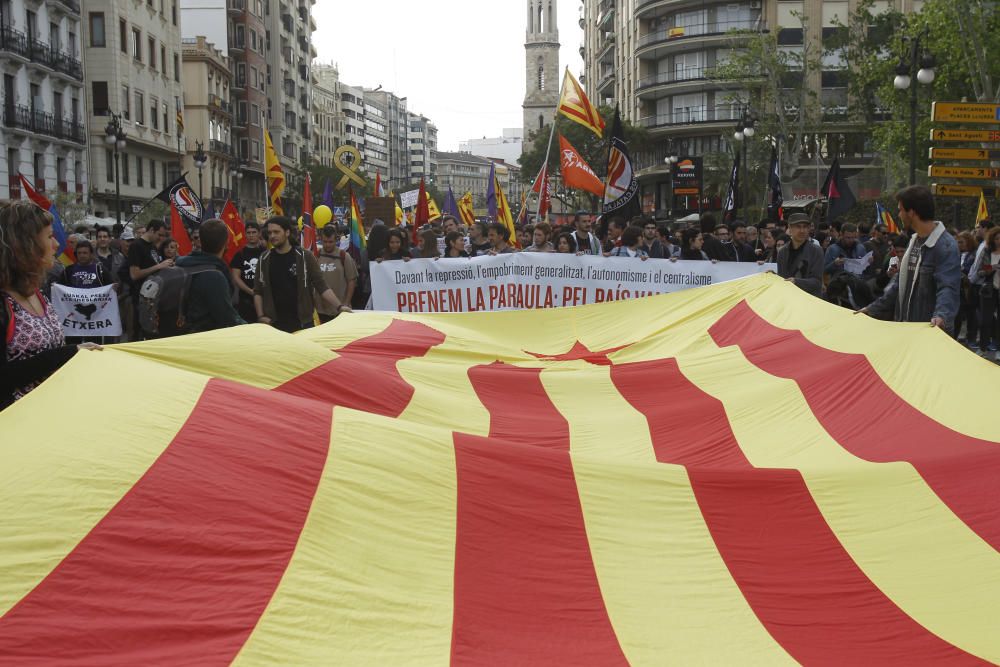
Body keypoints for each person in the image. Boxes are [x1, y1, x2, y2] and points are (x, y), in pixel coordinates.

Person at [0, 200, 101, 409]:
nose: (57, 245)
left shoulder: (37, 292)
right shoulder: (4, 302)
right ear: (25, 245)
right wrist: (68, 353)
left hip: (51, 415)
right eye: (49, 236)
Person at [860, 186, 960, 330]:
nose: (899, 215)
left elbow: (948, 287)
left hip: (929, 333)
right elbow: (899, 286)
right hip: (907, 329)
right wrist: (871, 309)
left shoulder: (945, 246)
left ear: (911, 212)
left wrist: (941, 317)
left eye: (900, 210)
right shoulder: (913, 240)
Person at [253, 216, 351, 333]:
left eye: (276, 232)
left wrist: (340, 306)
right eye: (269, 233)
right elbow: (258, 291)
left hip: (303, 323)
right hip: (273, 325)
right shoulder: (264, 258)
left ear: (287, 232)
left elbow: (321, 286)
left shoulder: (305, 256)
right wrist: (261, 317)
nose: (272, 236)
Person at [174, 219, 246, 333]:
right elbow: (226, 316)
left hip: (177, 333)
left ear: (201, 241)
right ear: (227, 242)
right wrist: (253, 329)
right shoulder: (214, 276)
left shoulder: (180, 264)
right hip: (202, 337)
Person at [315, 225, 359, 323]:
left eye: (330, 242)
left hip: (339, 309)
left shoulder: (344, 256)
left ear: (336, 240)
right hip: (320, 310)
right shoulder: (316, 256)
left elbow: (351, 281)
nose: (327, 245)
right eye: (325, 242)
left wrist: (346, 303)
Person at [968, 226, 1000, 353]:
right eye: (997, 238)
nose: (999, 241)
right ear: (992, 239)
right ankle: (983, 348)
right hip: (988, 290)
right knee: (985, 321)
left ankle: (998, 349)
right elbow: (980, 271)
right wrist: (992, 268)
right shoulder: (987, 251)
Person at [776, 213, 825, 296]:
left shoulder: (816, 251)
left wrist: (796, 281)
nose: (802, 231)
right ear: (790, 228)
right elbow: (782, 279)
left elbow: (817, 282)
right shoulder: (782, 252)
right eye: (798, 226)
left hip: (809, 300)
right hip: (788, 298)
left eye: (805, 227)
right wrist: (772, 276)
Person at [229, 221, 266, 324]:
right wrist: (250, 291)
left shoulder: (265, 252)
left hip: (265, 298)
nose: (251, 235)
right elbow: (236, 277)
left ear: (259, 234)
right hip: (246, 300)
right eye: (248, 233)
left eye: (254, 232)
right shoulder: (239, 255)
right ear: (245, 234)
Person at [955, 231, 979, 344]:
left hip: (970, 288)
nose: (958, 244)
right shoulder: (959, 254)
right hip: (961, 288)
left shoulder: (973, 254)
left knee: (971, 315)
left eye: (961, 242)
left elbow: (970, 271)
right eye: (957, 242)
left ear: (968, 241)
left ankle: (971, 338)